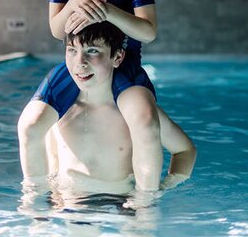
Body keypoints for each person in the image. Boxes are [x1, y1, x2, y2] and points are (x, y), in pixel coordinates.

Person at [18, 0, 167, 191]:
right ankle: (35, 199)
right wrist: (75, 4)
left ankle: (146, 203)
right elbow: (57, 30)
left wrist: (109, 11)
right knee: (30, 126)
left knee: (145, 123)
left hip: (121, 66)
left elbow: (148, 31)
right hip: (77, 66)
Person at [27, 22, 196, 198]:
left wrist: (163, 188)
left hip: (121, 204)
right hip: (71, 206)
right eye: (72, 50)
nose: (80, 63)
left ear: (117, 58)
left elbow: (185, 150)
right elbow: (50, 163)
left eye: (92, 51)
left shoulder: (133, 115)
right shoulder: (57, 111)